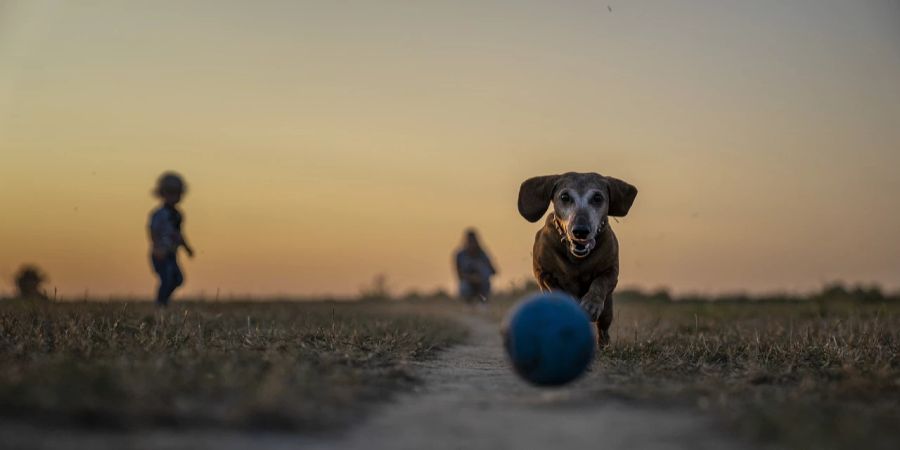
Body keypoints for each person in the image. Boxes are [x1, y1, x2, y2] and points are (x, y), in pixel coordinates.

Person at [148, 172, 194, 306]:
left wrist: (187, 248)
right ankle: (160, 303)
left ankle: (164, 301)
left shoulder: (178, 215)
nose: (173, 196)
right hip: (160, 253)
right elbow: (153, 231)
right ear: (162, 194)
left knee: (178, 279)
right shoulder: (159, 214)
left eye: (176, 193)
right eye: (170, 192)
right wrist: (157, 247)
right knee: (167, 278)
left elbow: (179, 234)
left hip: (171, 253)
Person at [455, 229, 497, 304]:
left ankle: (483, 303)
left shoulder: (482, 254)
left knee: (486, 280)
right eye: (470, 241)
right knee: (464, 287)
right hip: (468, 283)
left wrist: (482, 275)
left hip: (481, 284)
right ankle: (468, 303)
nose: (472, 244)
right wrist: (472, 278)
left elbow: (494, 271)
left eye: (473, 241)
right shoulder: (461, 255)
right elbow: (459, 275)